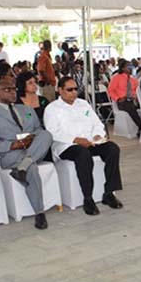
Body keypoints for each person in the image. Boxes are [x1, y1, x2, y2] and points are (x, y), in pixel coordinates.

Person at [44, 77, 124, 216]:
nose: (74, 92)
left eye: (76, 89)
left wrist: (98, 135)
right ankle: (88, 198)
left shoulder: (83, 104)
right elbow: (53, 132)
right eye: (70, 90)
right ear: (60, 90)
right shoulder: (52, 109)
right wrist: (76, 139)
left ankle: (109, 193)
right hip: (66, 146)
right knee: (82, 154)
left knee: (112, 148)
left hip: (90, 142)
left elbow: (96, 123)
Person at [0, 80, 52, 230]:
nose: (13, 92)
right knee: (31, 168)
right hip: (12, 154)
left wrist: (32, 137)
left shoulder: (26, 109)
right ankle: (39, 212)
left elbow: (38, 129)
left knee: (46, 134)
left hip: (33, 148)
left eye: (14, 89)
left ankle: (23, 166)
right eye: (8, 90)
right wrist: (13, 145)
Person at [108, 59, 141, 133]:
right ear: (123, 68)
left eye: (131, 66)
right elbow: (110, 90)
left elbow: (137, 91)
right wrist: (117, 98)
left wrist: (135, 97)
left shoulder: (133, 80)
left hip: (133, 100)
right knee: (130, 106)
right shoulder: (116, 78)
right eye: (128, 66)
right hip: (122, 101)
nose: (130, 68)